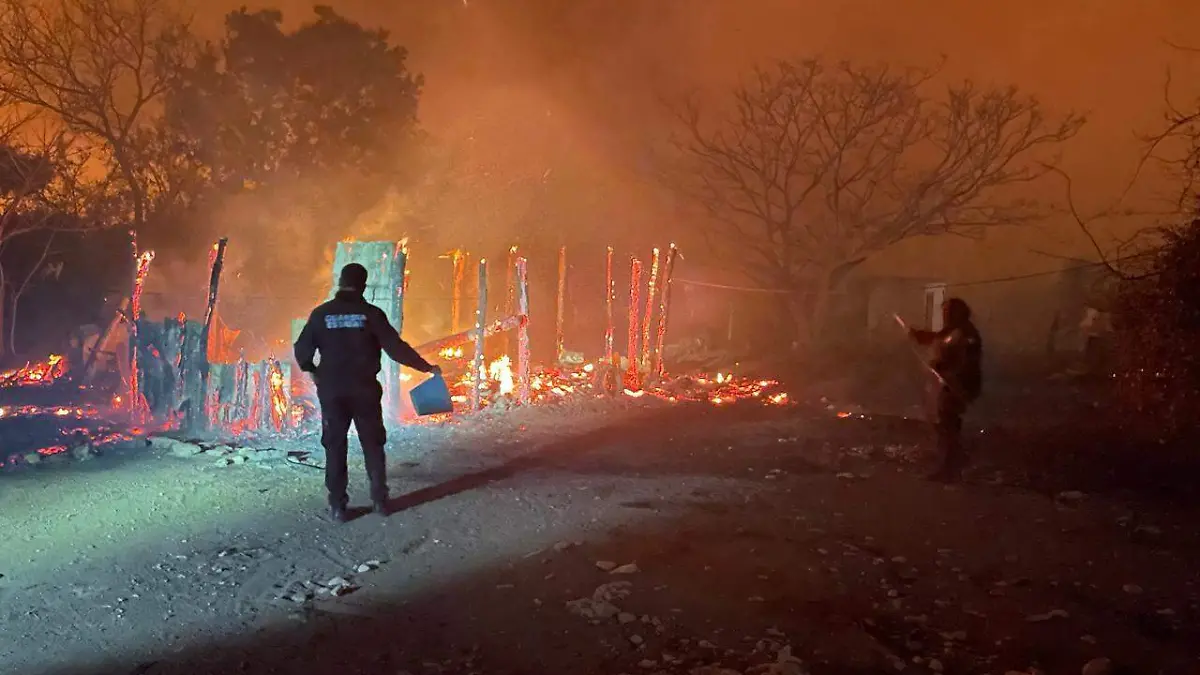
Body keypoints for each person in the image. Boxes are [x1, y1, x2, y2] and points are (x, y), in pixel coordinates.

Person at [294, 262, 440, 522]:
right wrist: (425, 367)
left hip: (332, 391)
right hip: (364, 390)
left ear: (341, 283)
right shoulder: (371, 314)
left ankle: (338, 507)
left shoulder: (322, 314)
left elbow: (302, 347)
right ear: (363, 286)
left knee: (335, 445)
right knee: (373, 444)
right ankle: (380, 501)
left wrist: (311, 370)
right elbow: (396, 348)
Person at [907, 298, 983, 482]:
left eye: (949, 312)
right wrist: (920, 336)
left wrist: (944, 367)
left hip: (960, 385)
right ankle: (954, 463)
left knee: (949, 425)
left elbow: (966, 361)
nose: (945, 316)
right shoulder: (953, 330)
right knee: (946, 424)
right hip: (950, 384)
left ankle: (952, 467)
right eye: (944, 312)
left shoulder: (966, 333)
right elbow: (939, 338)